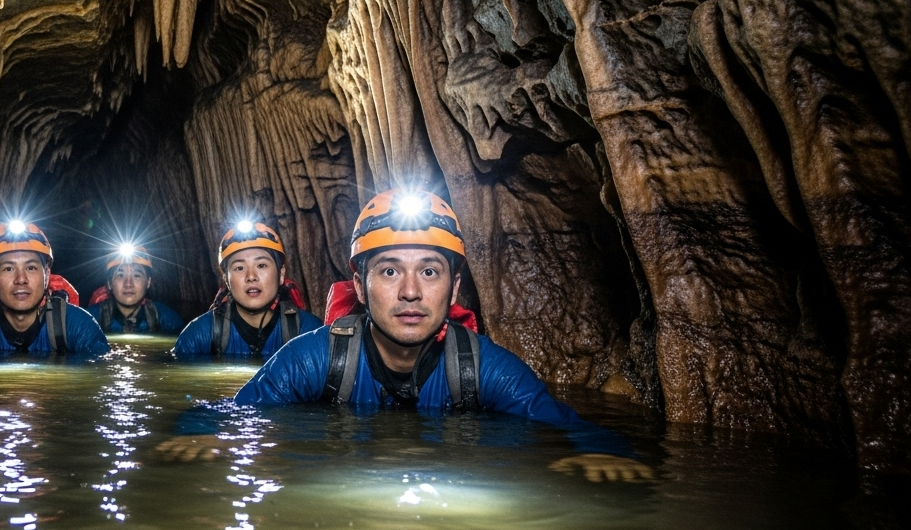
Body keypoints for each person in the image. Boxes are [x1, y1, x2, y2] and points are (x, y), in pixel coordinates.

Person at [159, 190, 653, 483]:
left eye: (431, 272)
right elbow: (231, 411)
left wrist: (604, 448)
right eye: (390, 271)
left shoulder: (483, 368)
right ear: (359, 284)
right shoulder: (313, 358)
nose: (411, 291)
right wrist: (198, 431)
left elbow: (562, 420)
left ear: (455, 286)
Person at [0, 220, 110, 355]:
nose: (21, 279)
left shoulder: (78, 326)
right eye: (8, 268)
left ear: (46, 276)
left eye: (31, 268)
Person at [173, 220, 323, 358]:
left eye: (261, 265)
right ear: (226, 279)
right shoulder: (198, 336)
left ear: (281, 274)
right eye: (239, 268)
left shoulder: (308, 331)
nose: (251, 276)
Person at [86, 245, 185, 334]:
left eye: (136, 275)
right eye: (120, 275)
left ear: (148, 282)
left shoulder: (165, 318)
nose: (128, 284)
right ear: (109, 283)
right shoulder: (90, 320)